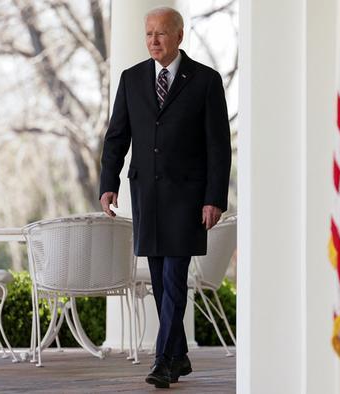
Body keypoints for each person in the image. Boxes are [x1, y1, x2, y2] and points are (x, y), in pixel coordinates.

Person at [99, 6, 231, 389]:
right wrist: (109, 184)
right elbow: (116, 138)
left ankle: (162, 360)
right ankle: (179, 356)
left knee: (174, 278)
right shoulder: (131, 79)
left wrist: (214, 199)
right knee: (160, 280)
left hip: (188, 198)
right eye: (148, 34)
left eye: (160, 34)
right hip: (147, 196)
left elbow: (218, 147)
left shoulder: (206, 81)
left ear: (179, 36)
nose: (153, 41)